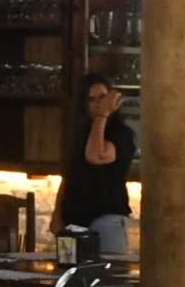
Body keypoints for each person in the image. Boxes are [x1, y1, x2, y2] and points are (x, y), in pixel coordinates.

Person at [54, 74, 134, 256]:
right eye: (92, 99)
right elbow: (69, 176)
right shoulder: (79, 133)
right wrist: (57, 213)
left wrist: (103, 115)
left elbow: (96, 155)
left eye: (103, 98)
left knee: (107, 278)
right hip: (73, 221)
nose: (99, 103)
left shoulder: (120, 133)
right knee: (70, 278)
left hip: (105, 220)